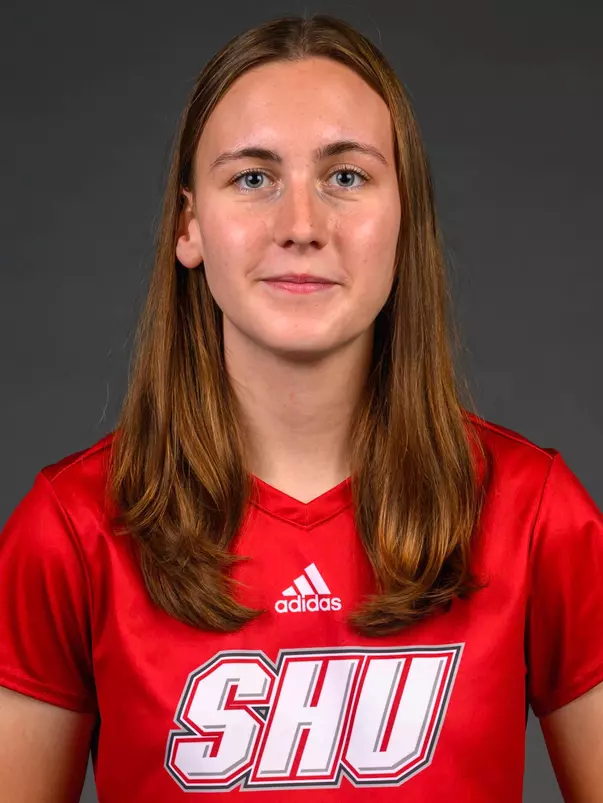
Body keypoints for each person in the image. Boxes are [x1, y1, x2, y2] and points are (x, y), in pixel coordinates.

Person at [0, 12, 602, 803]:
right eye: (253, 178)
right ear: (189, 225)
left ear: (405, 218)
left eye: (345, 177)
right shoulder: (71, 531)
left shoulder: (535, 517)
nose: (301, 227)